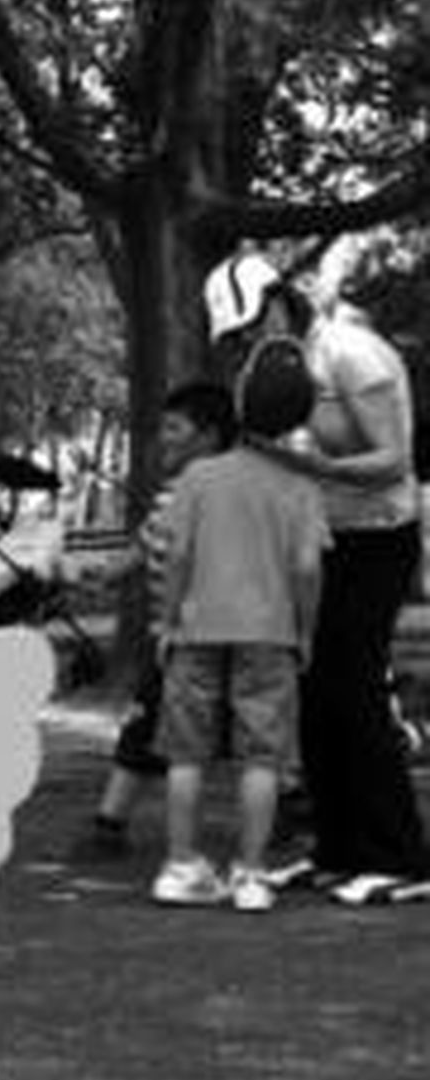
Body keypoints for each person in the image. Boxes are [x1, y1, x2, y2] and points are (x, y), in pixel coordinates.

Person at [205, 252, 428, 904]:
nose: (245, 341)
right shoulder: (264, 369)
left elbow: (393, 462)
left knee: (354, 686)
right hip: (316, 541)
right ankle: (336, 849)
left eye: (250, 325)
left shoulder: (353, 353)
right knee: (314, 689)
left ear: (278, 299)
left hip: (379, 539)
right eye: (236, 335)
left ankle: (400, 858)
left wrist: (305, 468)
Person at [151, 336, 329, 912]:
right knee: (263, 758)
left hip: (197, 629)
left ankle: (180, 867)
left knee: (186, 753)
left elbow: (177, 556)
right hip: (270, 633)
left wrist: (168, 620)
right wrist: (305, 630)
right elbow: (306, 568)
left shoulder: (200, 478)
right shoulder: (302, 487)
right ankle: (250, 875)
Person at [89, 383, 236, 851]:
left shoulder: (213, 491)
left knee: (155, 730)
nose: (164, 438)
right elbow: (143, 546)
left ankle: (114, 827)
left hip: (190, 639)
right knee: (154, 726)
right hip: (175, 639)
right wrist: (100, 574)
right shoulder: (173, 493)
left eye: (175, 428)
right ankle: (110, 824)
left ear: (209, 435)